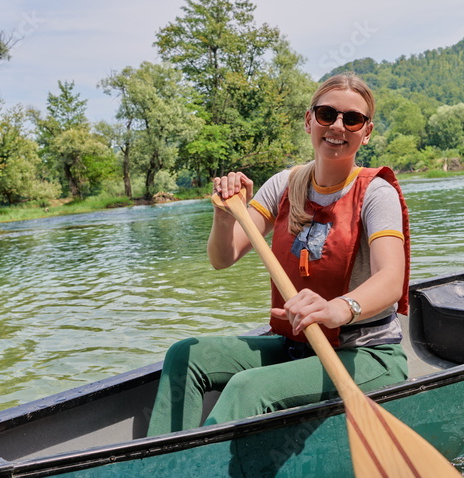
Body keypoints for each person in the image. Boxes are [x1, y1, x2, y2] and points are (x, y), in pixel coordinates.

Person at [145, 73, 410, 435]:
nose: (337, 126)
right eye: (326, 114)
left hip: (365, 354)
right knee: (186, 355)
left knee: (248, 388)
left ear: (366, 132)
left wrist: (336, 309)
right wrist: (223, 217)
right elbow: (223, 258)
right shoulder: (283, 185)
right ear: (308, 120)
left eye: (352, 119)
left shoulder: (377, 194)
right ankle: (161, 464)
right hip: (297, 347)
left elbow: (391, 279)